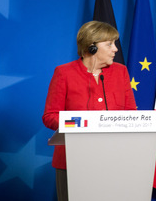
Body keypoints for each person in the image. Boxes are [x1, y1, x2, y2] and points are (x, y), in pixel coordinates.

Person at [42, 21, 137, 201]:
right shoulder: (64, 73)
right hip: (71, 161)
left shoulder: (121, 72)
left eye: (114, 44)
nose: (115, 49)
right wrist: (78, 124)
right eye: (109, 44)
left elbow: (131, 113)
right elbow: (49, 116)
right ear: (91, 47)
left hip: (113, 159)